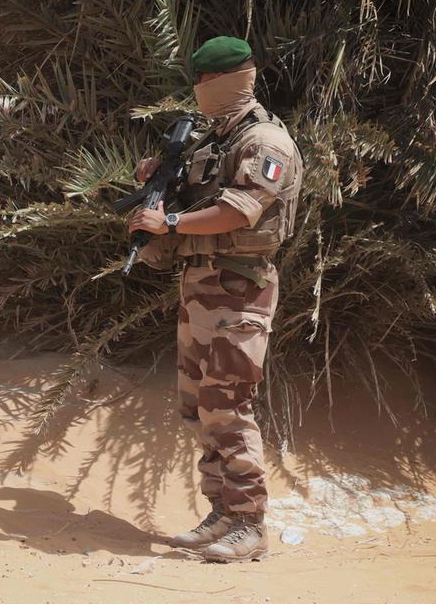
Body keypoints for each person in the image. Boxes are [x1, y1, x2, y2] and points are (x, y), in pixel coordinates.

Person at [128, 36, 303, 562]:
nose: (200, 90)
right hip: (202, 286)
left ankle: (250, 524)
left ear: (232, 80)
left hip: (241, 288)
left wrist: (171, 223)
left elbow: (239, 210)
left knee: (228, 405)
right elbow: (197, 198)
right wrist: (157, 183)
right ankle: (222, 513)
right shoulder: (215, 140)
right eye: (198, 81)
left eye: (206, 81)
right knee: (199, 408)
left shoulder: (265, 141)